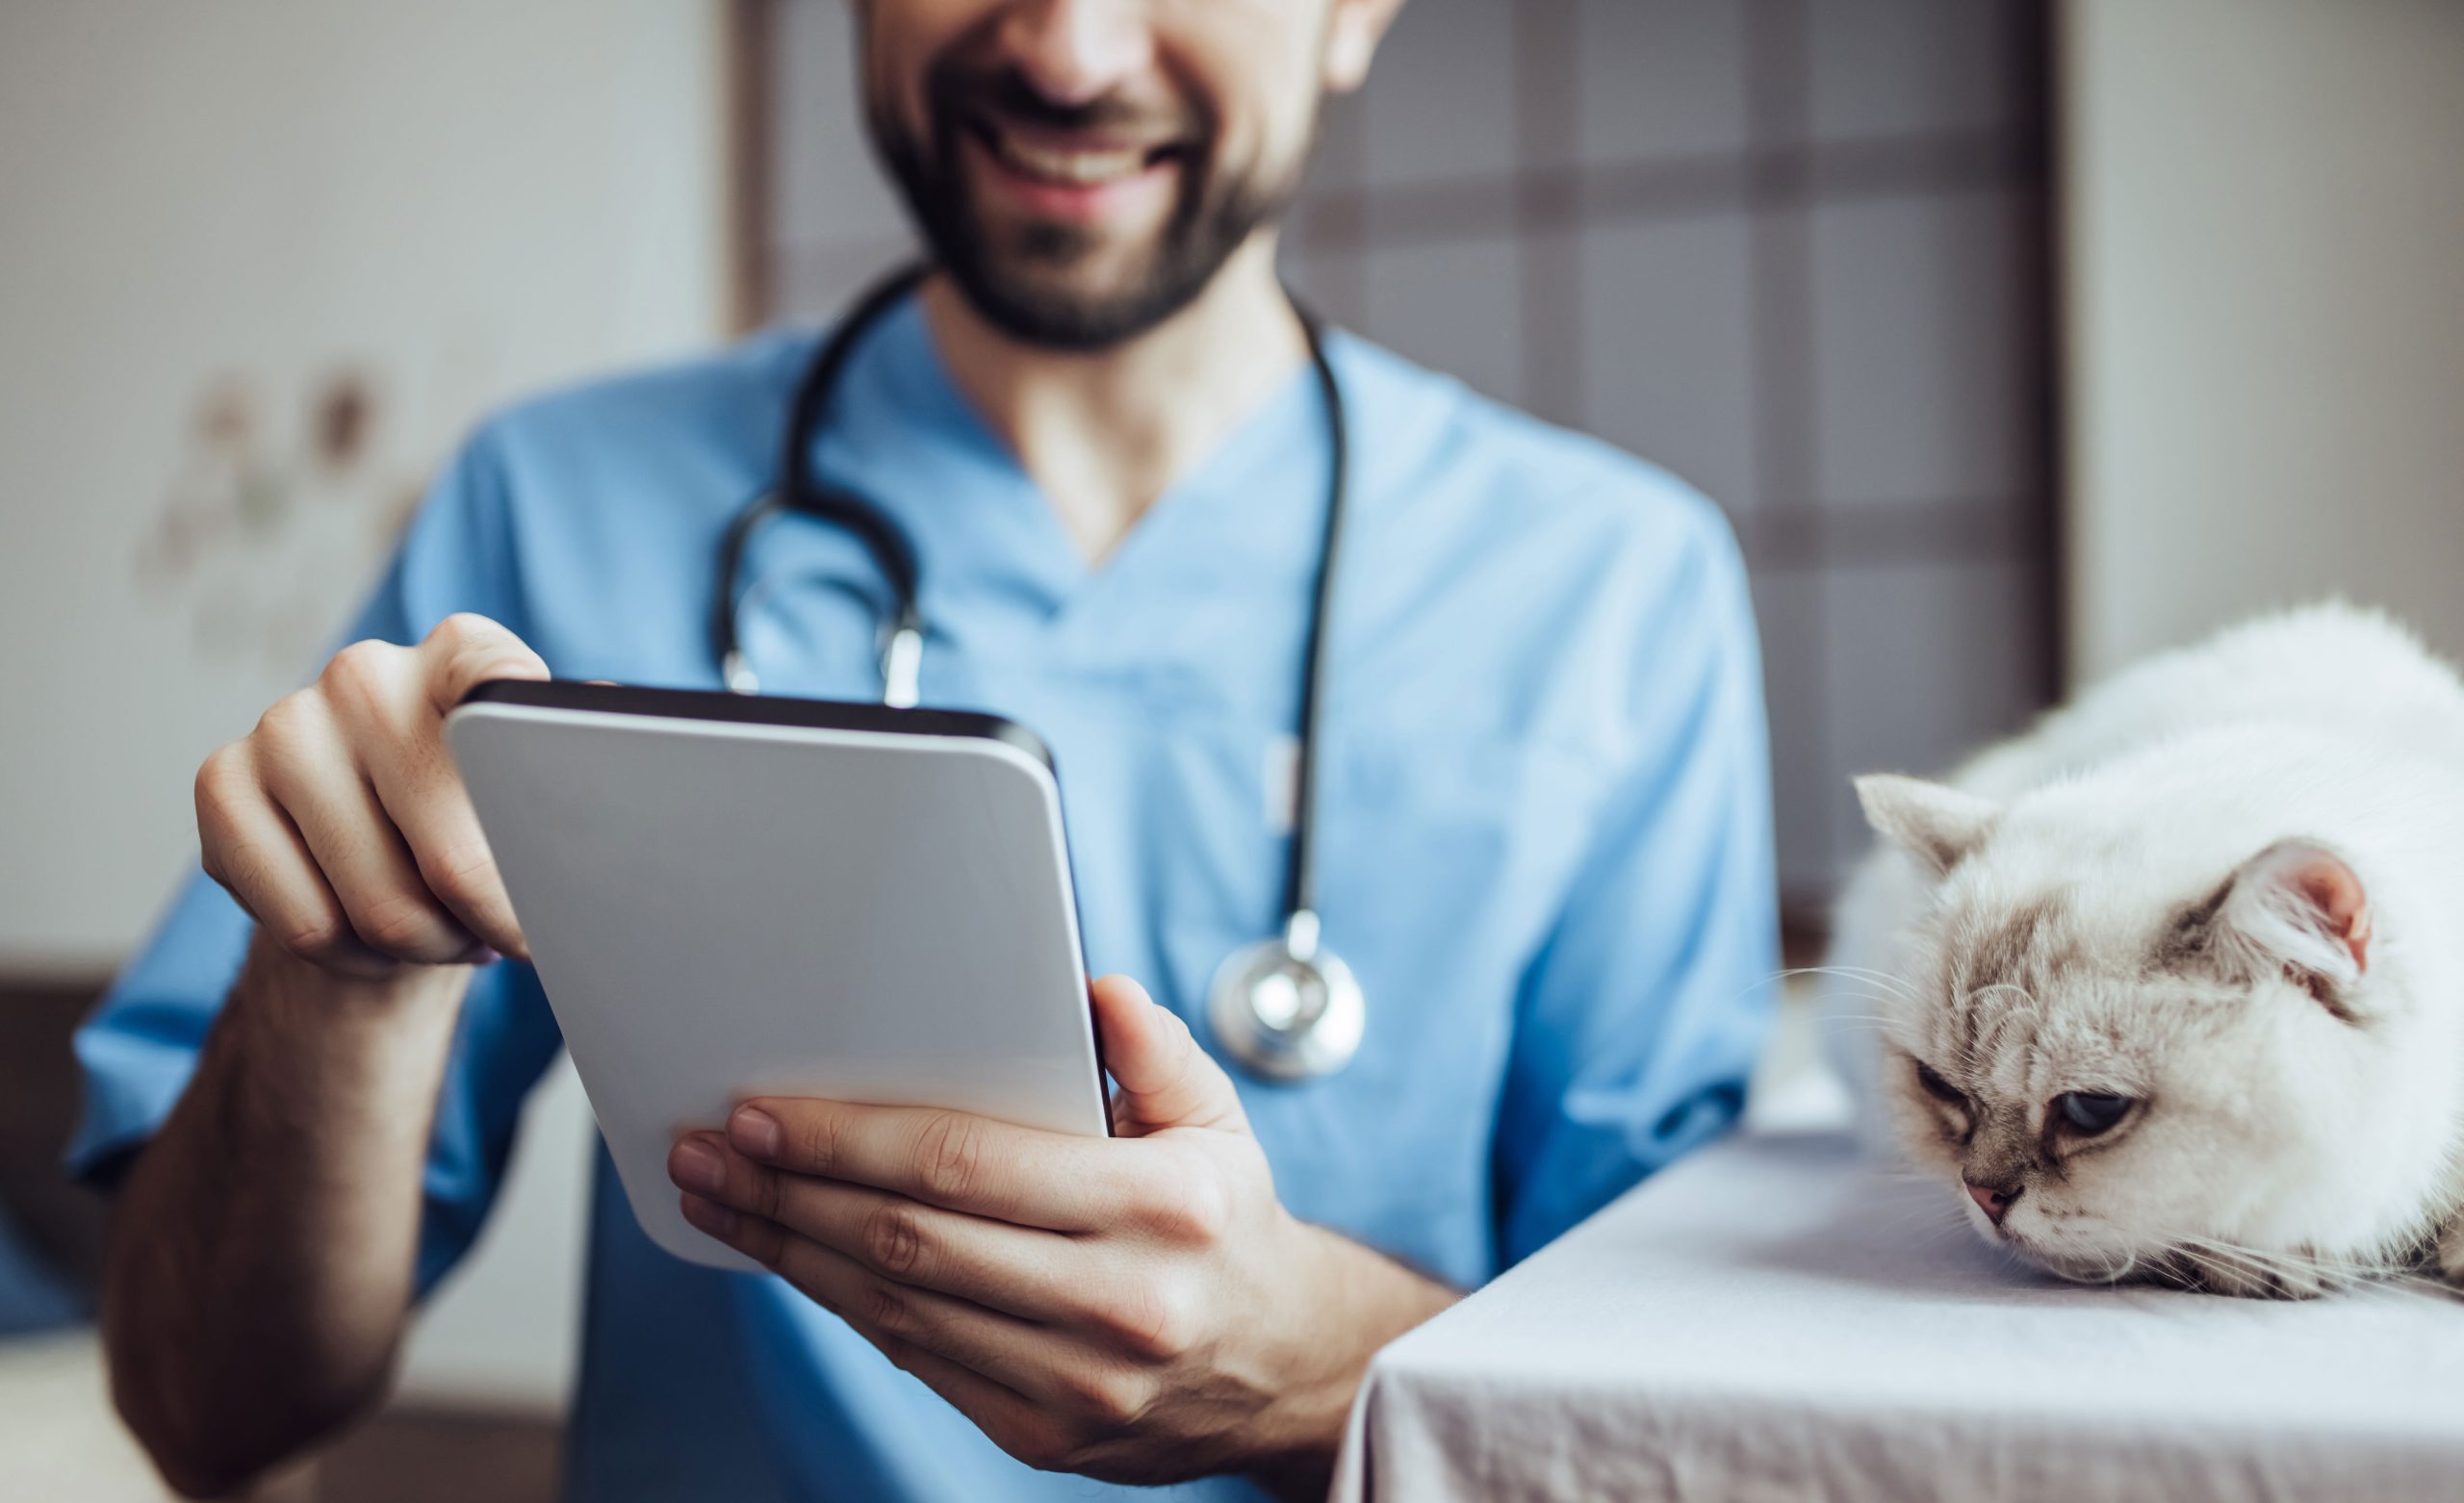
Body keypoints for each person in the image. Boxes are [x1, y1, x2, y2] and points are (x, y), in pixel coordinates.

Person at [71, 1, 1779, 1498]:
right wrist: (340, 989)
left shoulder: (1615, 594)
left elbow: (1696, 1441)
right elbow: (202, 1412)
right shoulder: (557, 512)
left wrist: (1317, 1367)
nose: (1069, 47)